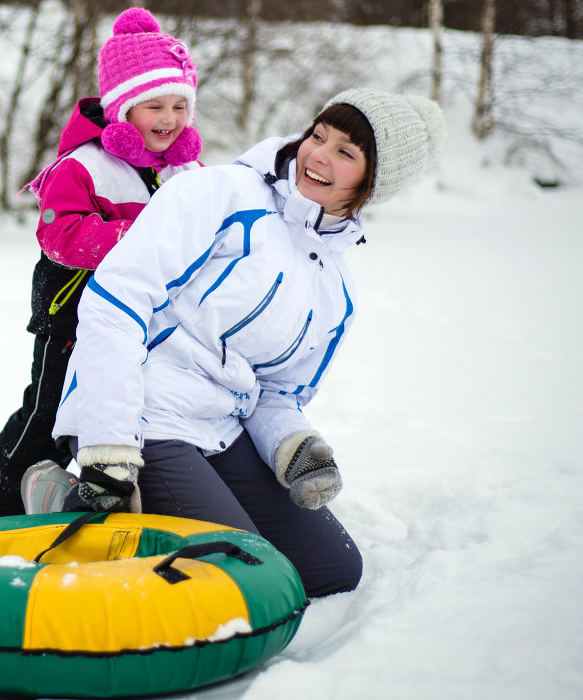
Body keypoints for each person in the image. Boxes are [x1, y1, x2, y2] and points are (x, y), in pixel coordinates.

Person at [23, 88, 445, 597]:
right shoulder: (218, 194)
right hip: (140, 414)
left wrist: (293, 443)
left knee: (333, 572)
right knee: (243, 577)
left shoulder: (336, 292)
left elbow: (278, 391)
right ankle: (70, 504)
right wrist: (109, 443)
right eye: (318, 135)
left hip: (221, 429)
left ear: (371, 184)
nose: (318, 156)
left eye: (345, 153)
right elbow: (114, 304)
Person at [0, 7, 204, 522]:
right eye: (153, 105)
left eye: (180, 104)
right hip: (70, 317)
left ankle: (93, 500)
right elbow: (60, 236)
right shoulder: (84, 165)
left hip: (139, 322)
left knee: (111, 415)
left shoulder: (186, 172)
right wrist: (140, 237)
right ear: (122, 108)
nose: (168, 118)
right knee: (47, 417)